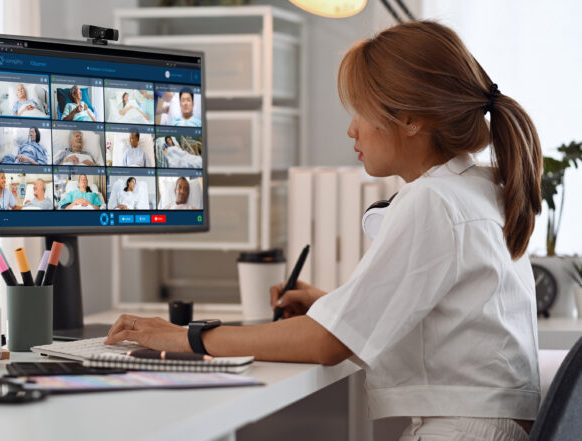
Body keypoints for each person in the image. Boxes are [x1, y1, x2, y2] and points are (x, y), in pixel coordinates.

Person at [105, 20, 542, 441]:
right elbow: (441, 309)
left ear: (411, 120)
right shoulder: (479, 187)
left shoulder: (433, 201)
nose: (351, 129)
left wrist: (185, 337)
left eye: (361, 111)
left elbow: (326, 344)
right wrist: (334, 305)